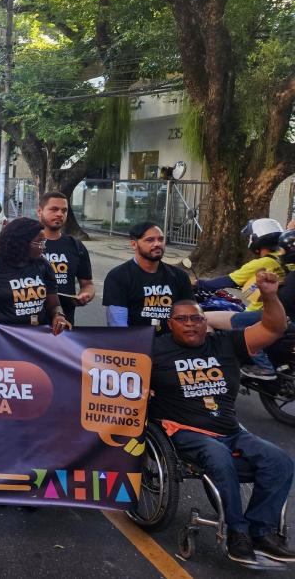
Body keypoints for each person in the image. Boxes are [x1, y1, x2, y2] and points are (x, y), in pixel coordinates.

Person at [149, 273, 295, 566]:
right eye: (182, 319)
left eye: (197, 318)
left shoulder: (226, 343)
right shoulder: (154, 350)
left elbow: (274, 326)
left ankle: (262, 532)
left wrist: (269, 295)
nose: (191, 323)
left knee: (280, 461)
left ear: (206, 322)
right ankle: (236, 534)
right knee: (218, 456)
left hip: (230, 430)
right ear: (169, 324)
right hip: (185, 430)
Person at [195, 218, 294, 380]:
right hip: (280, 312)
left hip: (261, 313)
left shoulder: (261, 263)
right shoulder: (284, 259)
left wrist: (198, 284)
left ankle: (216, 366)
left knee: (206, 320)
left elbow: (227, 281)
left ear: (256, 239)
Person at [0, 217, 70, 335]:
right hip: (2, 337)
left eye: (44, 242)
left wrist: (59, 315)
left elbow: (54, 305)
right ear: (21, 243)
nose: (44, 247)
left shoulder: (43, 265)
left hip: (38, 335)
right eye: (40, 242)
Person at [103, 221, 194, 331]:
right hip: (136, 342)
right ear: (134, 244)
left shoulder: (179, 276)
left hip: (173, 342)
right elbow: (118, 324)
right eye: (150, 240)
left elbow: (190, 316)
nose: (157, 244)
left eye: (160, 239)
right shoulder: (118, 276)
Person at [37, 191, 94, 325]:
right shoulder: (27, 243)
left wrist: (85, 295)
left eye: (64, 210)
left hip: (65, 322)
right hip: (30, 322)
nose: (59, 214)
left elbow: (87, 284)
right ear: (39, 211)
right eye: (54, 209)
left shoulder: (76, 246)